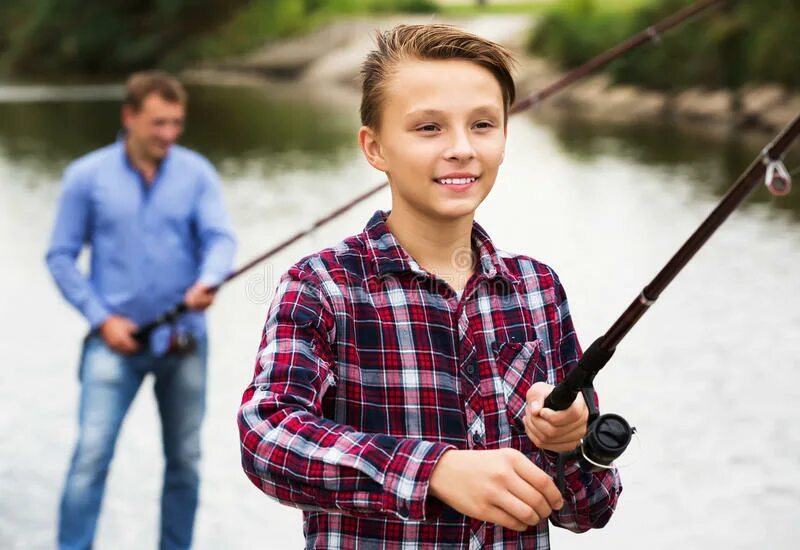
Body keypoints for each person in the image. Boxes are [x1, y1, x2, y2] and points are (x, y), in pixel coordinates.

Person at [238, 25, 621, 548]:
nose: (461, 148)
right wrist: (434, 471)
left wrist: (572, 441)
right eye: (429, 128)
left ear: (506, 137)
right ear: (375, 148)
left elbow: (589, 511)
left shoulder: (537, 288)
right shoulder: (322, 286)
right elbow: (267, 438)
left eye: (482, 124)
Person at [46, 70, 236, 550]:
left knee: (186, 460)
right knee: (90, 457)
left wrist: (208, 279)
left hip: (184, 340)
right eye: (158, 123)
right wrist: (101, 318)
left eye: (176, 123)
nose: (169, 135)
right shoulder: (87, 177)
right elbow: (60, 256)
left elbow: (220, 239)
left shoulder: (196, 173)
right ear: (129, 116)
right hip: (114, 344)